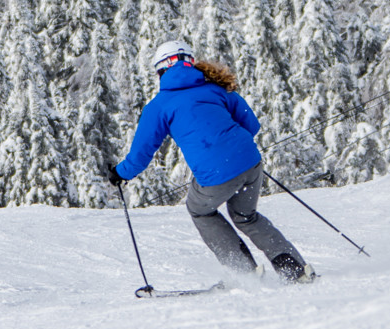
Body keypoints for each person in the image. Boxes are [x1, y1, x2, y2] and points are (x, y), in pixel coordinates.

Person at [108, 38, 314, 283]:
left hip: (216, 173)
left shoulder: (159, 106)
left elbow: (142, 153)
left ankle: (244, 272)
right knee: (246, 216)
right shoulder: (217, 89)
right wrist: (233, 150)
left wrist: (121, 173)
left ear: (162, 70)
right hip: (250, 162)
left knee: (199, 210)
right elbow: (251, 124)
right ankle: (296, 270)